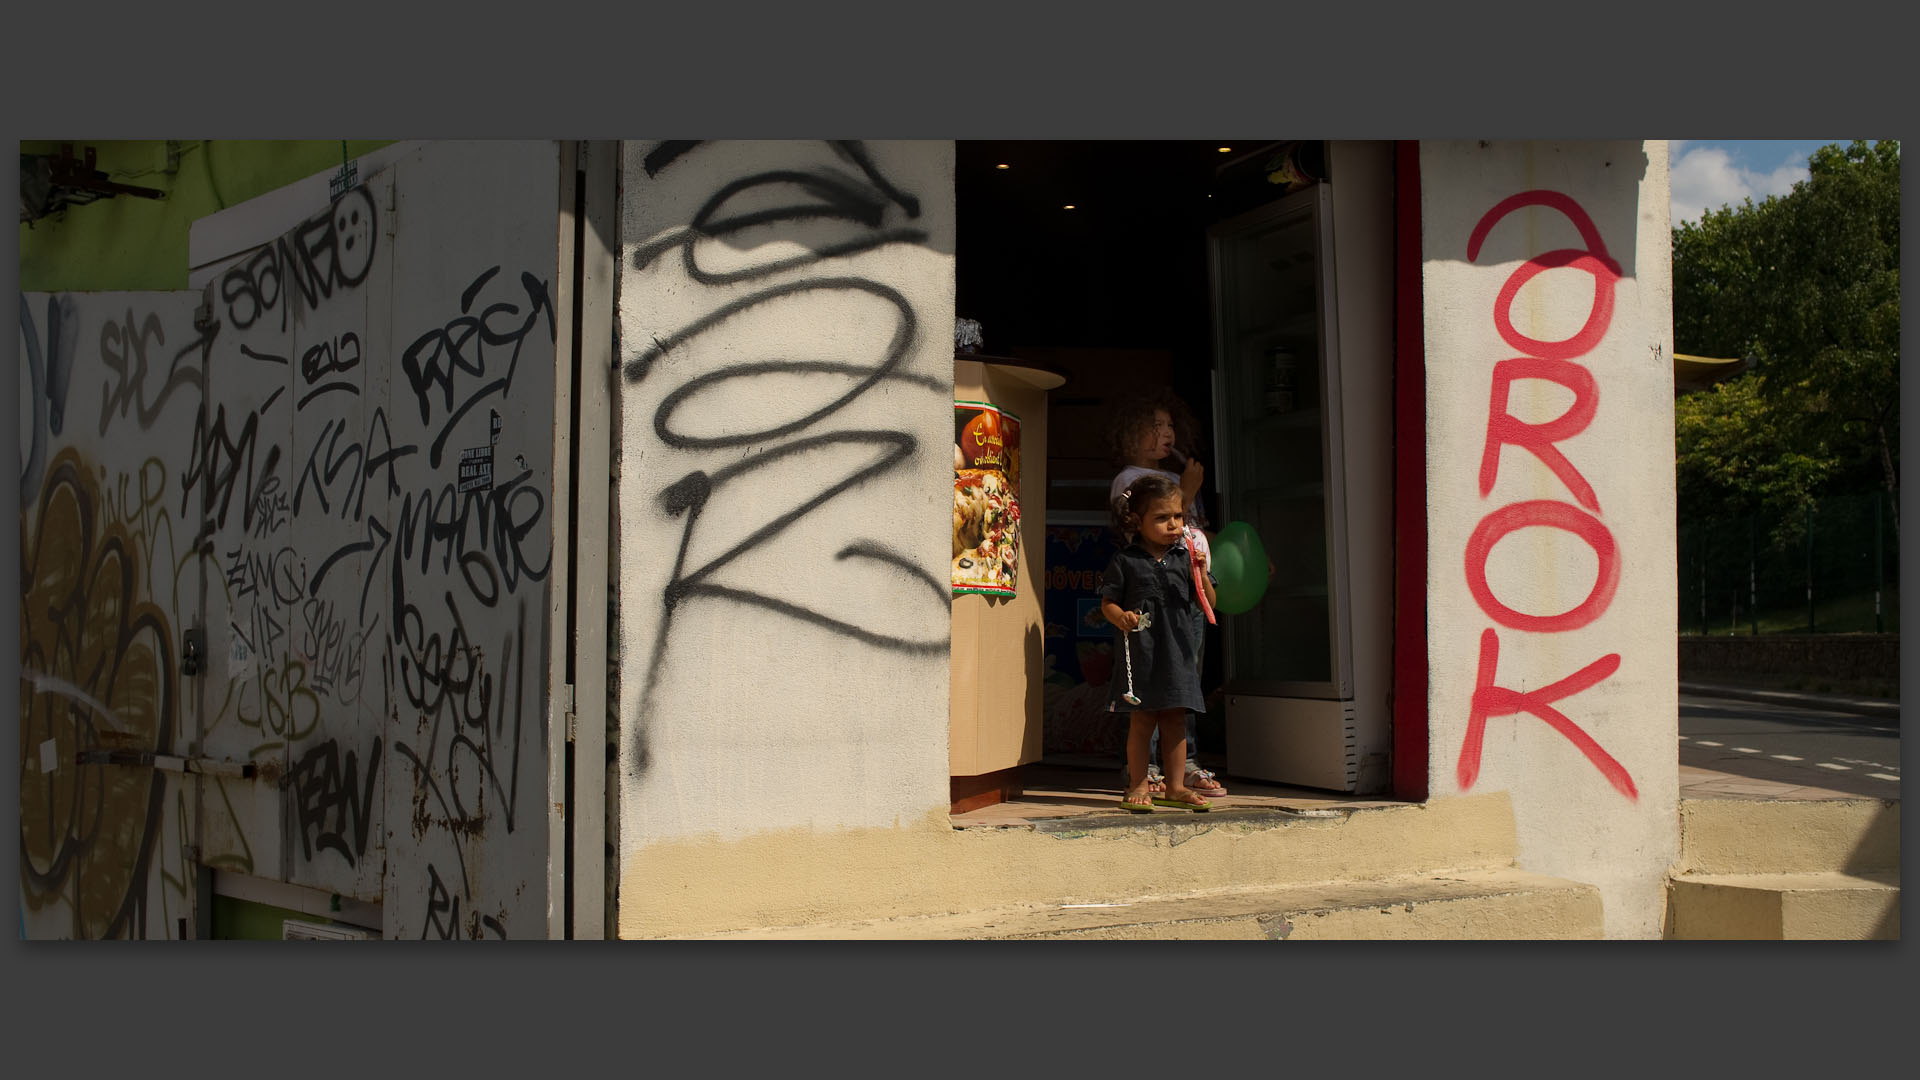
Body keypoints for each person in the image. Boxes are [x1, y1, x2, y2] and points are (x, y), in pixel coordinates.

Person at [1105, 391, 1228, 798]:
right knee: (1148, 690)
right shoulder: (1130, 480)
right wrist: (1188, 490)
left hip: (1185, 591)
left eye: (1169, 425)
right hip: (1149, 598)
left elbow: (1194, 534)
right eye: (1153, 426)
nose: (1165, 433)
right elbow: (1142, 533)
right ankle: (1147, 769)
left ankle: (1185, 766)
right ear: (1129, 435)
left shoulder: (1177, 481)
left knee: (1183, 685)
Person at [1100, 473, 1217, 812]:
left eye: (1178, 517)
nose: (1173, 525)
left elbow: (1208, 599)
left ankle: (1176, 787)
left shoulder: (1184, 558)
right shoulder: (1126, 561)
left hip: (1178, 653)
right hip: (1142, 655)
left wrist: (1201, 569)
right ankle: (1138, 784)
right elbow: (1107, 602)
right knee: (1142, 721)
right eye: (1162, 518)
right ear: (1137, 521)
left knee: (1175, 720)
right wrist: (1120, 616)